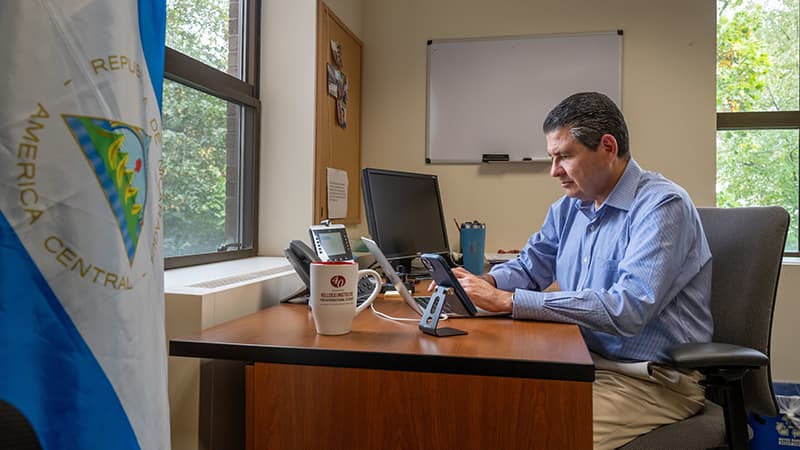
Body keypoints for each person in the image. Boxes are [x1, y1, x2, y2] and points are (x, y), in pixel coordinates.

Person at [451, 92, 713, 449]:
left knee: (532, 435)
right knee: (486, 412)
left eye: (564, 156)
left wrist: (509, 301)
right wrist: (485, 282)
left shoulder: (662, 205)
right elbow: (530, 267)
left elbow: (629, 308)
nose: (554, 171)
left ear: (607, 146)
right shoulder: (568, 209)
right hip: (580, 363)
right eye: (551, 157)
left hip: (650, 380)